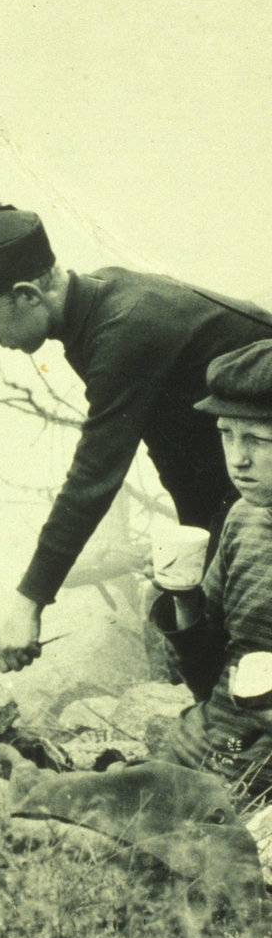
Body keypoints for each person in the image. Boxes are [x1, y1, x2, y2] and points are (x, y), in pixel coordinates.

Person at [0, 202, 272, 675]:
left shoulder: (122, 328)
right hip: (244, 482)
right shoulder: (95, 307)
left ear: (28, 294)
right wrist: (194, 545)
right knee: (195, 609)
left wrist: (28, 603)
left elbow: (95, 474)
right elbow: (167, 444)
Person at [152, 341, 272, 800]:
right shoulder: (245, 518)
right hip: (203, 748)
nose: (238, 459)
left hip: (257, 776)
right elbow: (207, 678)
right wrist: (183, 598)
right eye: (227, 434)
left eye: (258, 440)